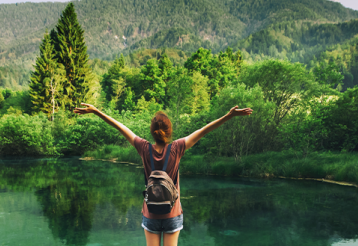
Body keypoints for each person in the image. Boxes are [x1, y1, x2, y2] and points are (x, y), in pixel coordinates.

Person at [73, 103, 253, 246]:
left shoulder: (143, 148)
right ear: (169, 131)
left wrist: (97, 112)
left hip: (150, 212)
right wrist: (229, 116)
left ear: (152, 132)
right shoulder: (178, 147)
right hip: (172, 214)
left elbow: (120, 127)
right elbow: (204, 130)